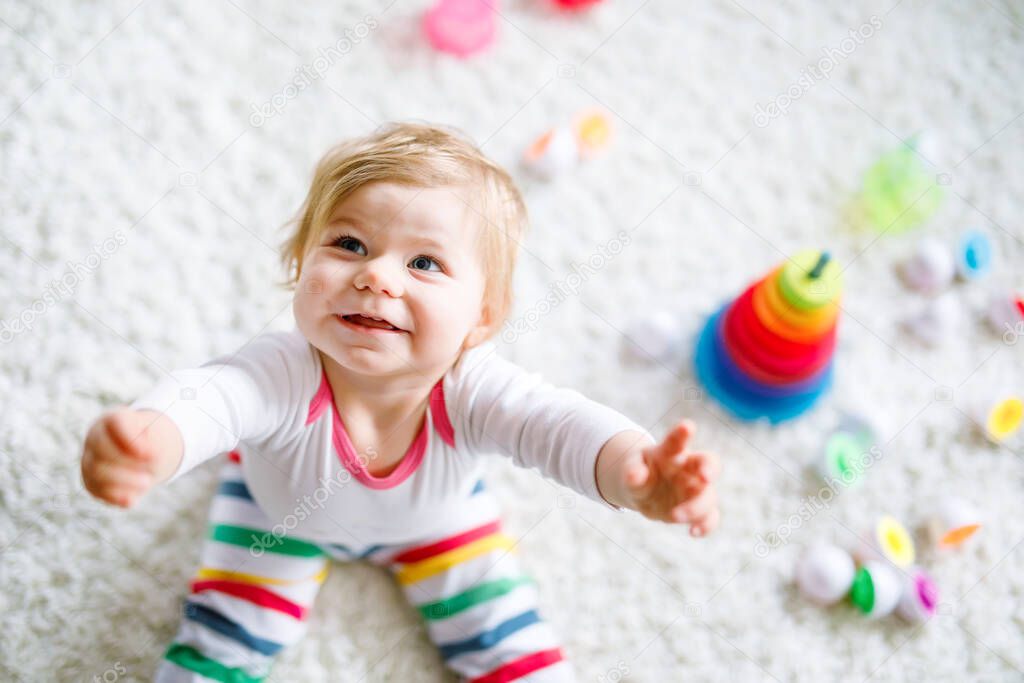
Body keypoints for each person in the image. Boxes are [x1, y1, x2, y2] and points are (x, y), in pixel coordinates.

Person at [80, 122, 721, 682]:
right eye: (349, 245)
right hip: (277, 517)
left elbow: (555, 425)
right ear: (301, 264)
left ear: (482, 318)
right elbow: (215, 396)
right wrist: (155, 440)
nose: (376, 276)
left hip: (439, 526)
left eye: (424, 263)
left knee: (515, 648)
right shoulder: (283, 370)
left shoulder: (472, 388)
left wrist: (634, 472)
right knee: (218, 644)